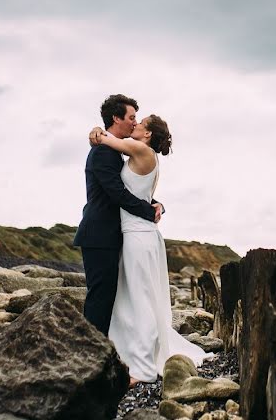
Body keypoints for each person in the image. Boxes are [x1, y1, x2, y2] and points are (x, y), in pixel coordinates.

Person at [89, 114, 212, 386]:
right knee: (135, 300)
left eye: (139, 122)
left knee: (142, 302)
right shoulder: (143, 153)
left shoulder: (141, 149)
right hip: (138, 236)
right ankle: (131, 355)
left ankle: (143, 369)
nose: (135, 125)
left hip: (138, 238)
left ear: (147, 134)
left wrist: (97, 131)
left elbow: (107, 139)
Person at [72, 94, 163, 337]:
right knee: (100, 298)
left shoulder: (116, 151)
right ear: (116, 117)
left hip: (111, 235)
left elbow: (130, 188)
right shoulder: (103, 152)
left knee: (109, 297)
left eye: (136, 119)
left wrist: (157, 205)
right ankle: (91, 354)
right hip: (99, 235)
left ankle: (103, 350)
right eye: (131, 117)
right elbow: (117, 193)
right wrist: (148, 212)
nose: (134, 123)